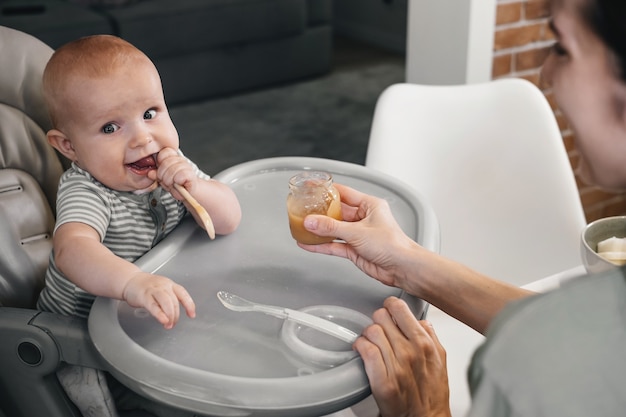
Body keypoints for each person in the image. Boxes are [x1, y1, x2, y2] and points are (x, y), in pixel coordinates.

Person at [298, 0, 626, 415]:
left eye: (562, 49)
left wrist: (428, 410)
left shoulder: (527, 377)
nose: (546, 72)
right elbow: (581, 332)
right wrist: (407, 261)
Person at [36, 35, 242, 417]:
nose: (142, 138)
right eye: (111, 128)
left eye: (150, 113)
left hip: (148, 310)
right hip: (82, 329)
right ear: (68, 146)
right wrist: (132, 282)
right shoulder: (87, 190)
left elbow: (228, 220)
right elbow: (72, 249)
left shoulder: (173, 166)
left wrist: (194, 188)